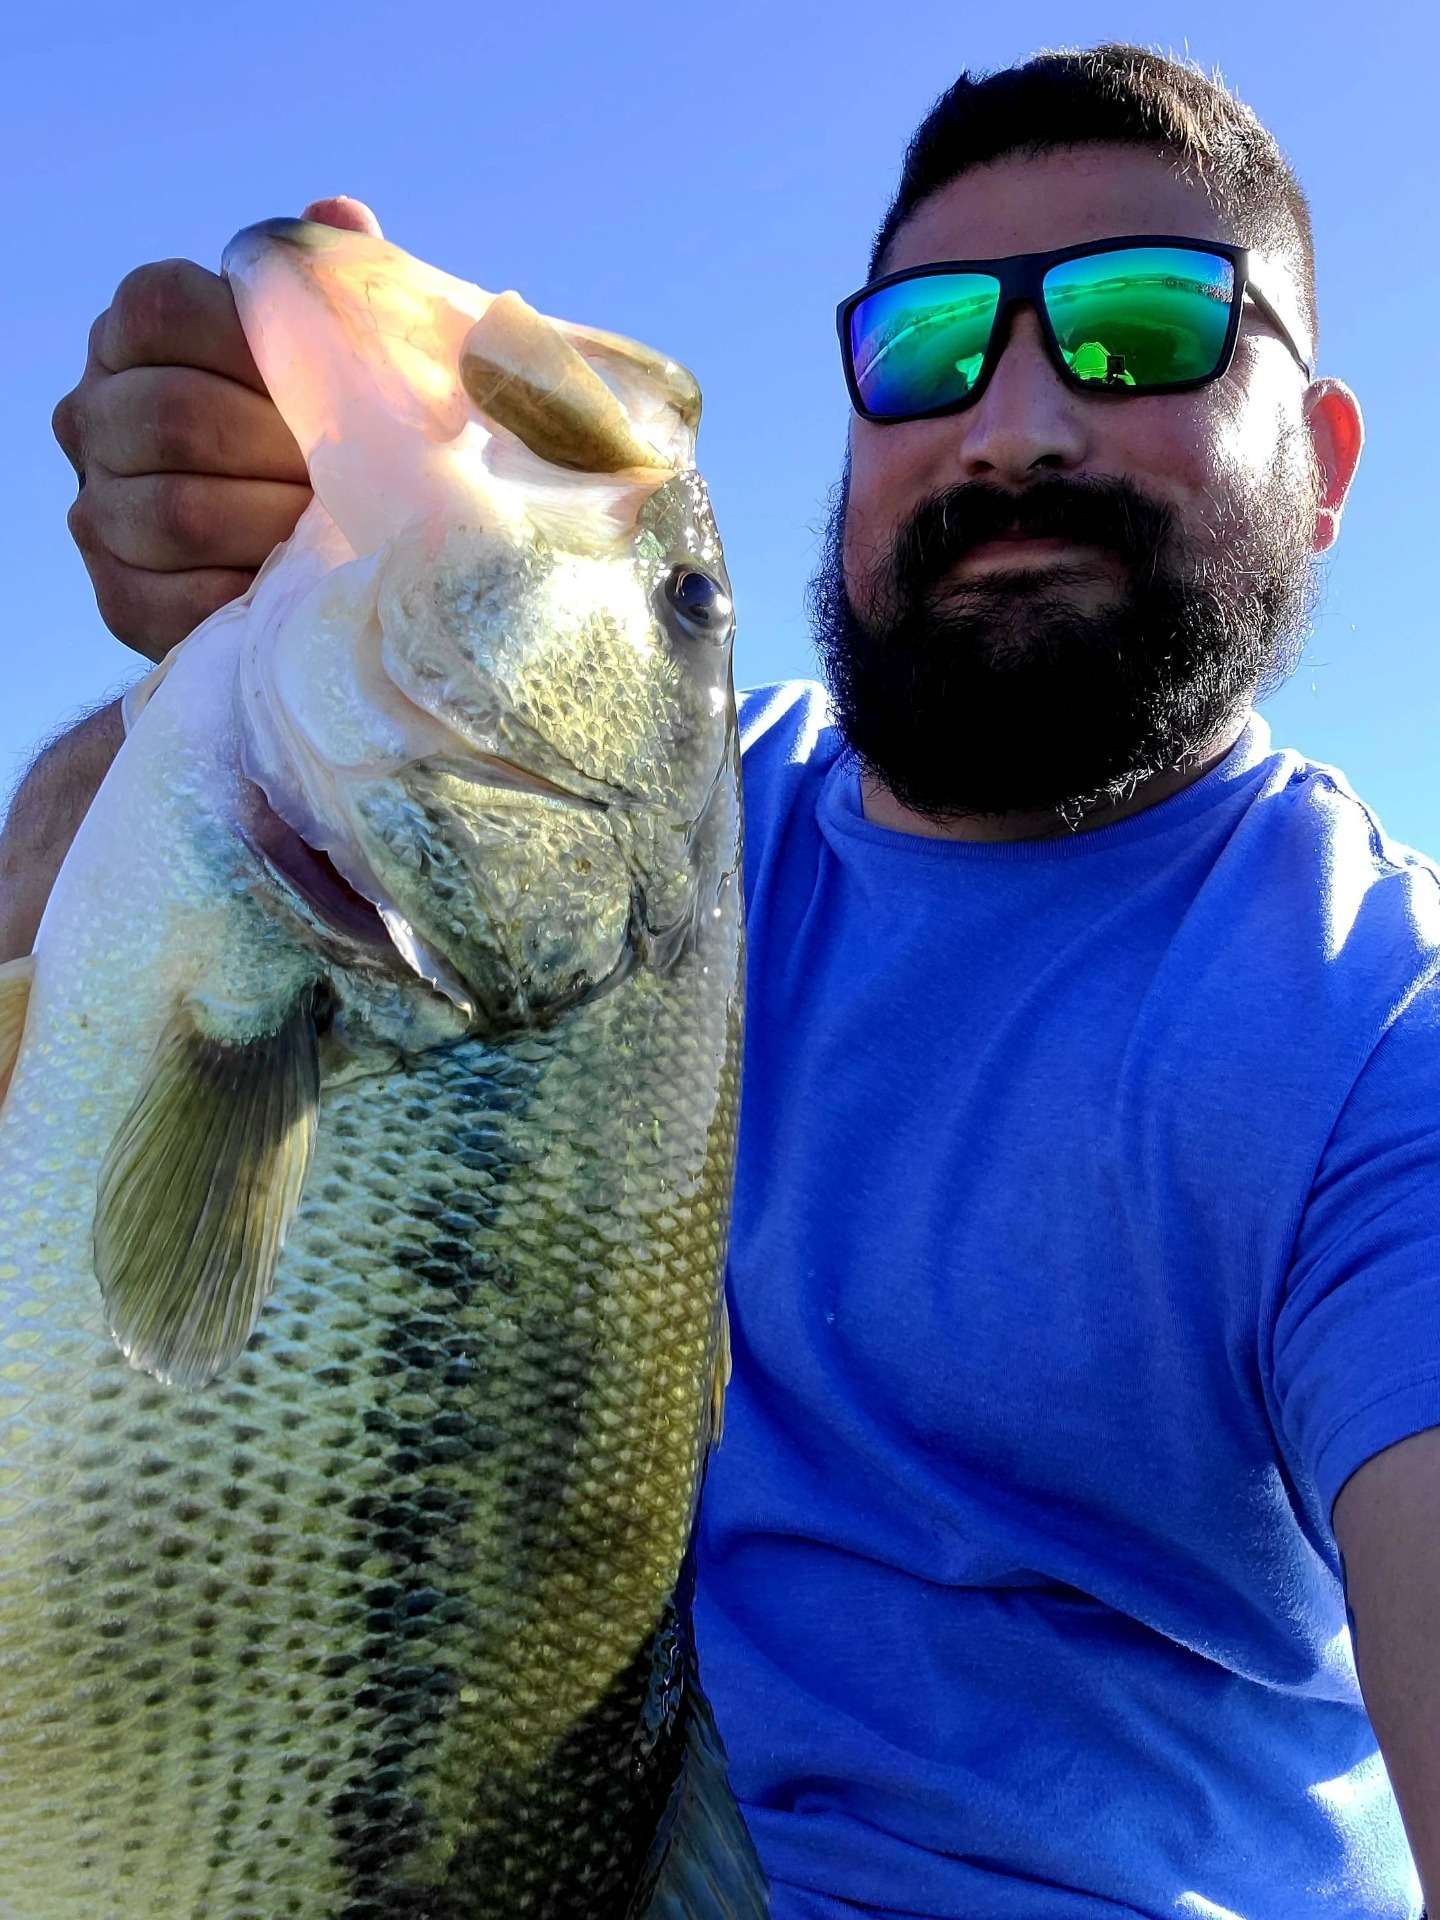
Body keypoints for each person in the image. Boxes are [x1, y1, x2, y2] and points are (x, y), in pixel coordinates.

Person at [7, 39, 1438, 1919]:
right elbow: (70, 961)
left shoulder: (1383, 1038)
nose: (1014, 424)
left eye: (1144, 329)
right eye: (931, 346)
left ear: (1323, 464)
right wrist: (221, 628)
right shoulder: (677, 816)